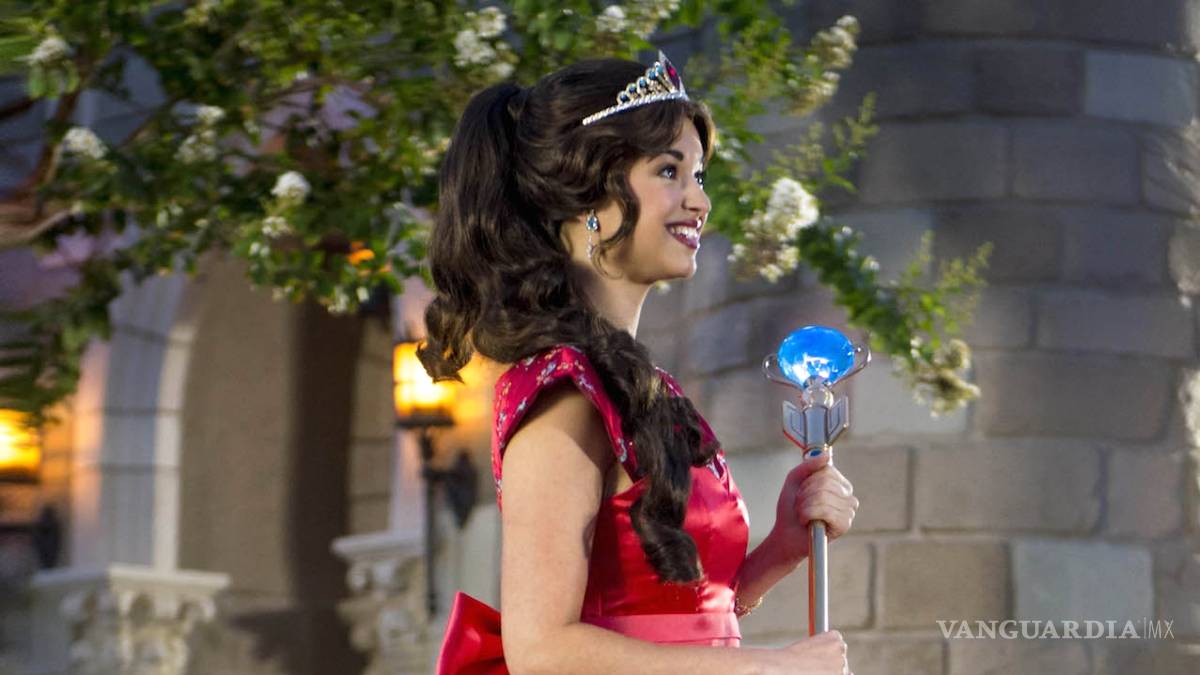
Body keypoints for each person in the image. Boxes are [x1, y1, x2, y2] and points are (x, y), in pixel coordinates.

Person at [419, 52, 860, 675]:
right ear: (588, 193)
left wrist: (783, 548)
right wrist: (771, 669)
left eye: (699, 175)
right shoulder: (564, 396)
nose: (700, 201)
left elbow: (681, 618)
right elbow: (541, 649)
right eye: (669, 171)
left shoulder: (639, 387)